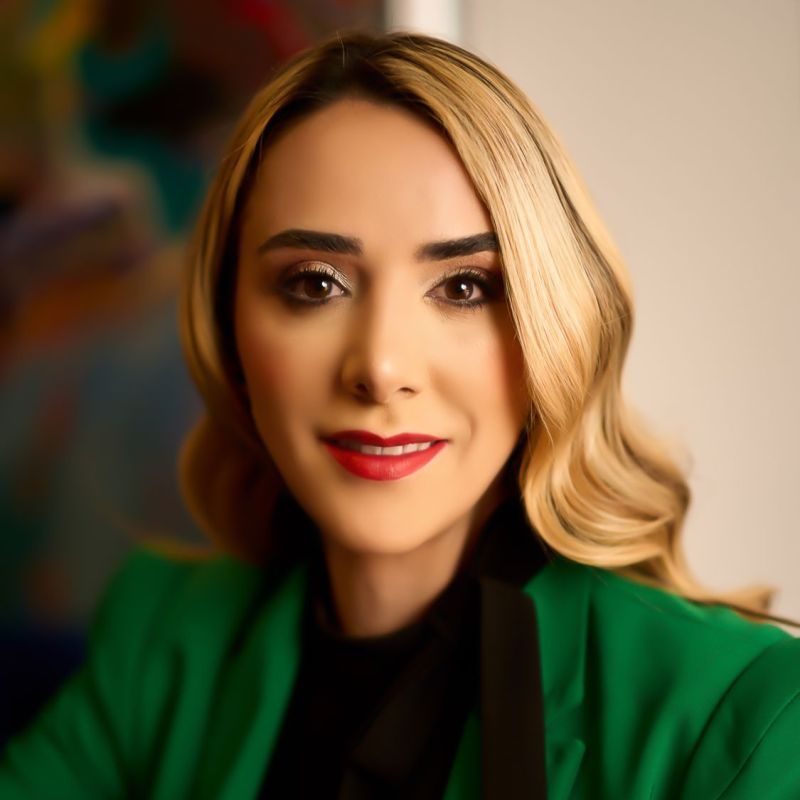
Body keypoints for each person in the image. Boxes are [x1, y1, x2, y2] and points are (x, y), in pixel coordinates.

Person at [1, 30, 798, 800]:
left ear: (553, 325)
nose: (381, 369)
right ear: (226, 322)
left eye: (463, 287)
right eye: (315, 283)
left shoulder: (749, 716)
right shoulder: (162, 631)